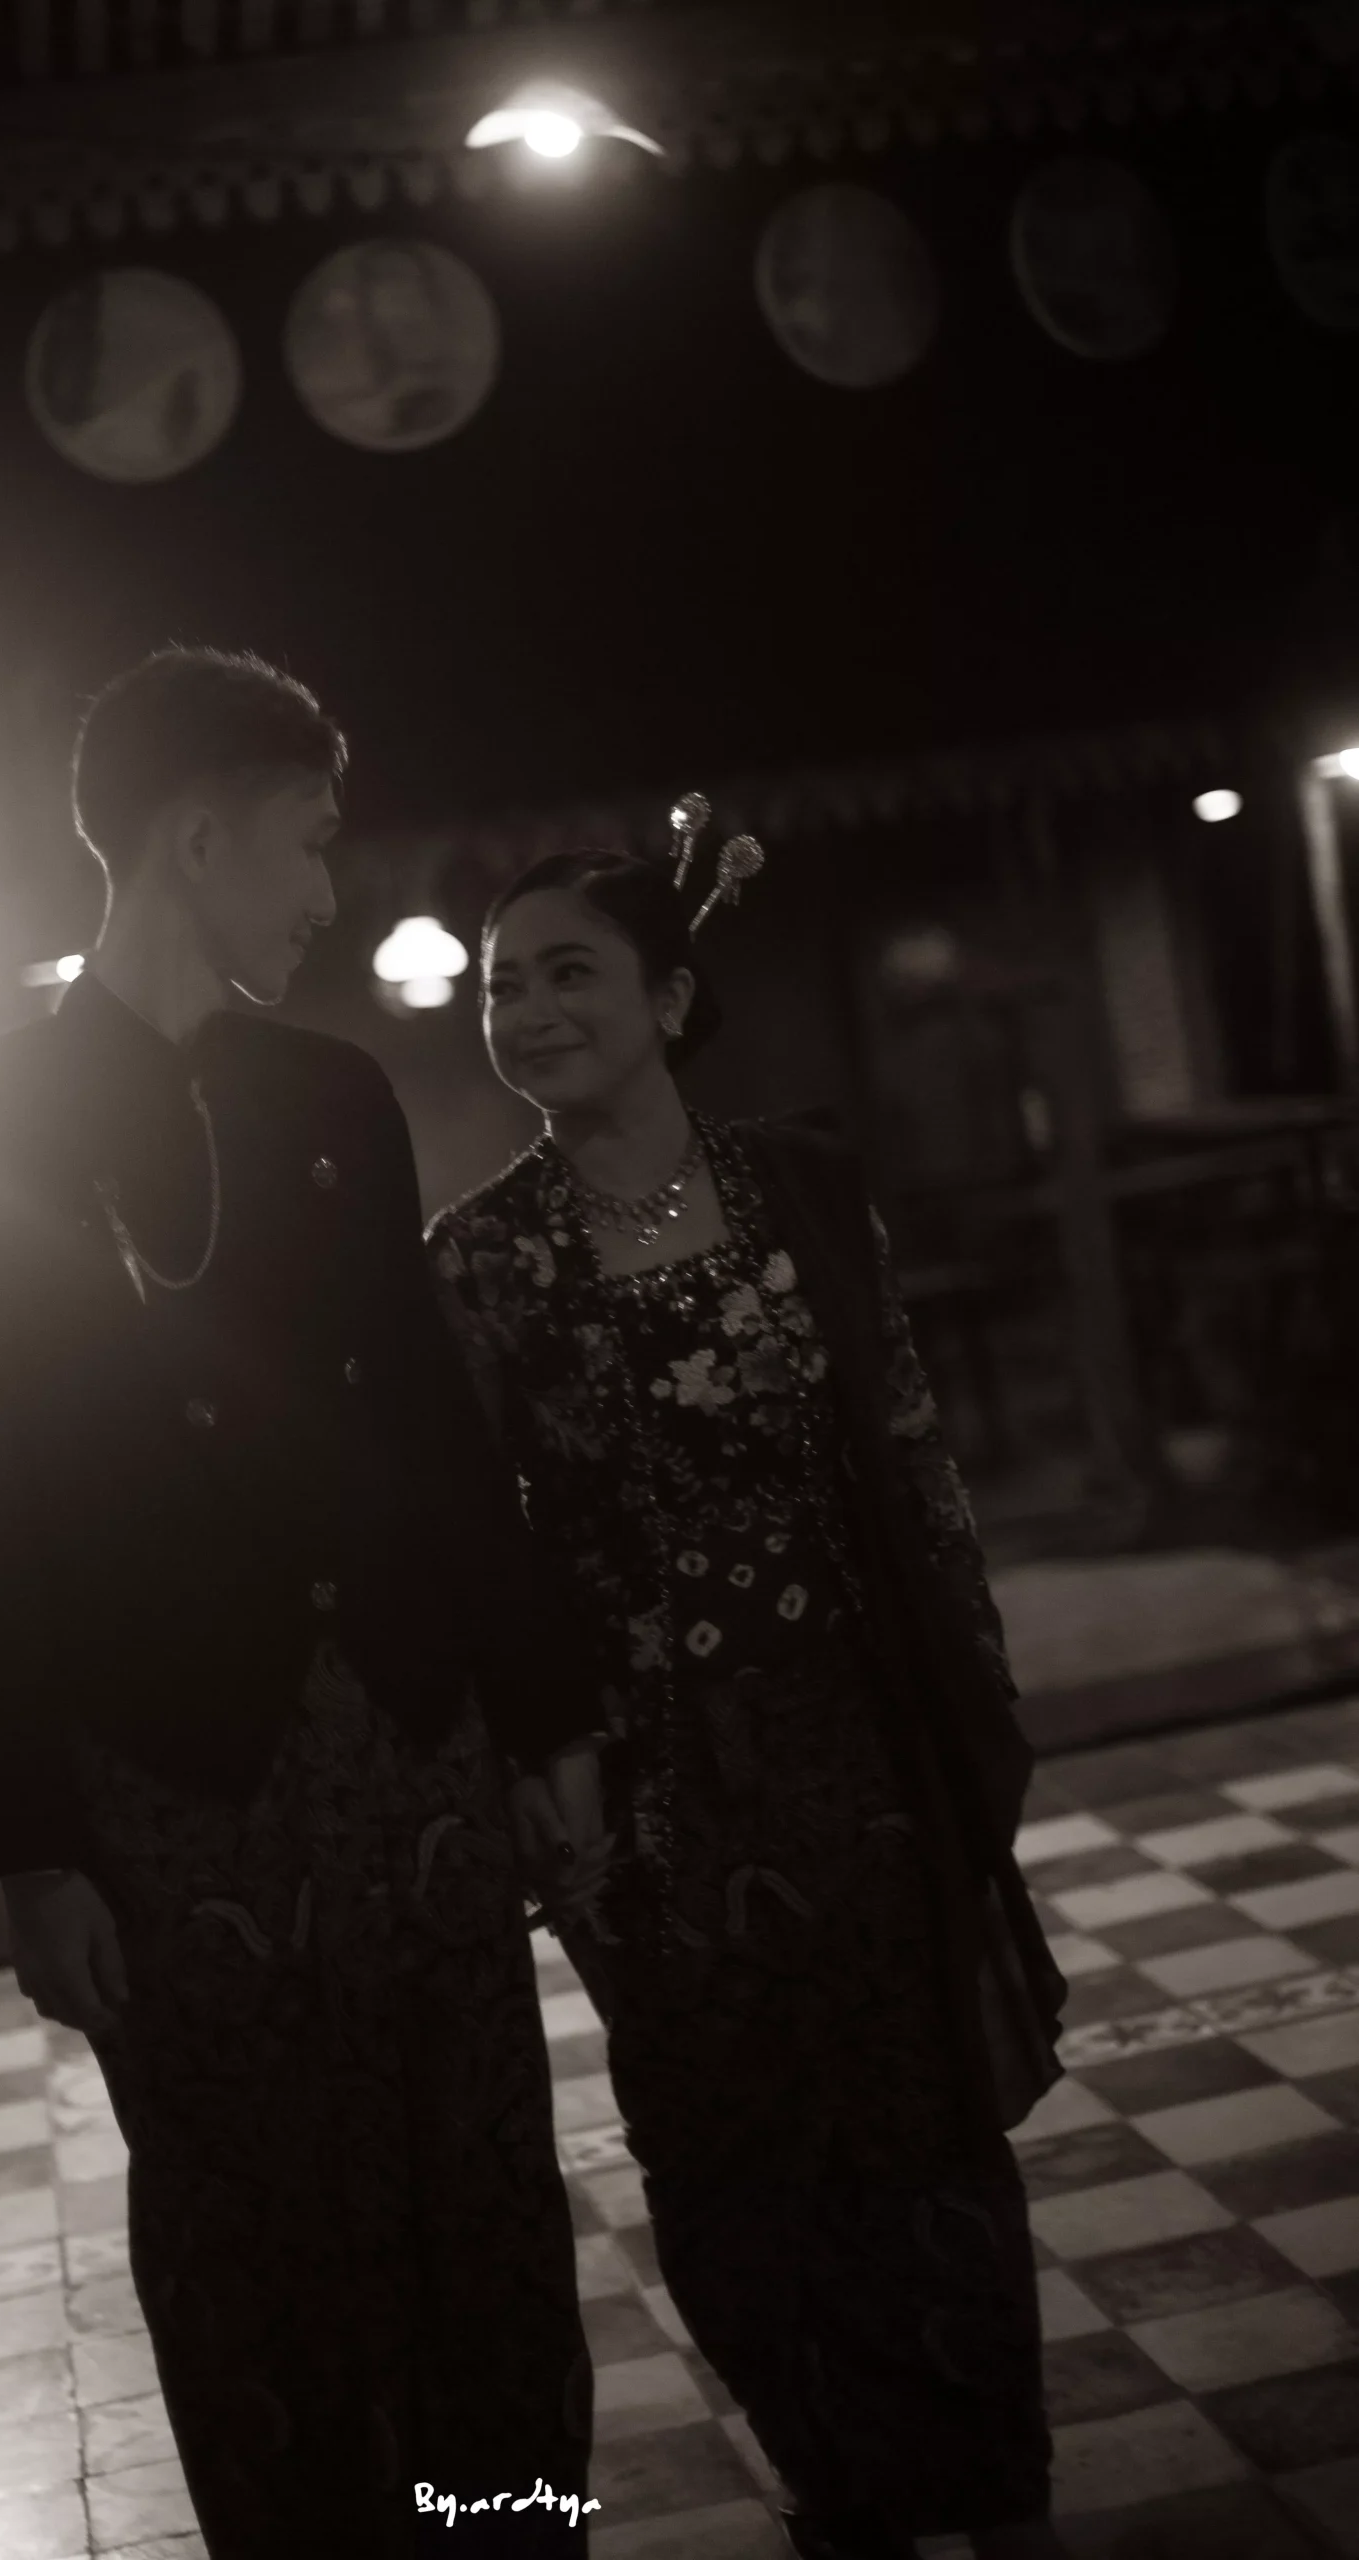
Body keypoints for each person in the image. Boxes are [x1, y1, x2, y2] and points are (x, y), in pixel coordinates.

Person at [0, 647, 609, 2558]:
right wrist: (27, 1853)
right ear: (197, 837)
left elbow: (431, 1430)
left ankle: (508, 2536)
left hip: (415, 1742)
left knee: (484, 2215)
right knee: (254, 2249)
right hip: (169, 1780)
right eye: (306, 841)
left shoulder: (334, 1092)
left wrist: (540, 1719)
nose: (324, 891)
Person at [425, 838, 1070, 2560]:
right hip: (644, 1788)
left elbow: (908, 1449)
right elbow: (474, 1546)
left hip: (857, 1738)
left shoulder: (797, 1186)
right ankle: (844, 2501)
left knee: (920, 2123)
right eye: (502, 984)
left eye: (568, 971)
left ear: (668, 997)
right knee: (727, 2160)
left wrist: (966, 1704)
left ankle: (996, 2497)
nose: (528, 1009)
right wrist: (542, 1761)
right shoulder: (476, 1260)